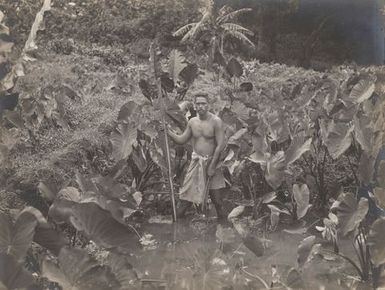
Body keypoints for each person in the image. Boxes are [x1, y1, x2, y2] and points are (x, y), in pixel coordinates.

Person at [165, 93, 227, 221]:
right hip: (196, 163)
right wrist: (168, 132)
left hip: (212, 162)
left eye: (203, 103)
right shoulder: (192, 122)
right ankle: (175, 229)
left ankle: (225, 229)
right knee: (186, 200)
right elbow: (181, 140)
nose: (201, 106)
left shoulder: (216, 121)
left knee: (217, 201)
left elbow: (220, 145)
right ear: (194, 105)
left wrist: (212, 166)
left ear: (208, 105)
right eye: (198, 104)